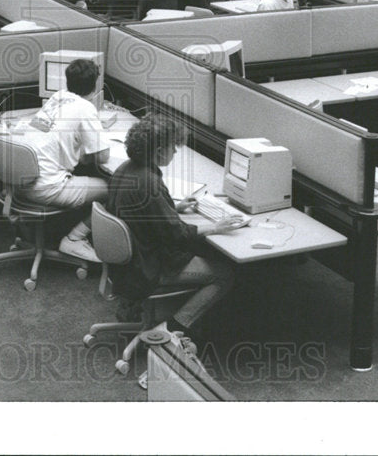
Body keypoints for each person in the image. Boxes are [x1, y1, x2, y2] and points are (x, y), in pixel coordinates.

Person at [106, 113, 239, 345]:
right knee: (224, 273)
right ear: (159, 151)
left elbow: (144, 215)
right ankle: (175, 326)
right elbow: (176, 236)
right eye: (172, 147)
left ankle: (137, 307)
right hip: (148, 266)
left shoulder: (126, 169)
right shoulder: (150, 183)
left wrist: (173, 207)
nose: (175, 152)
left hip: (127, 264)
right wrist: (215, 227)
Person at [23, 58, 112, 261]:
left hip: (22, 182)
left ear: (67, 81)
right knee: (117, 187)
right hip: (48, 187)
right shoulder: (85, 108)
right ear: (95, 85)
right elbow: (103, 156)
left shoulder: (57, 98)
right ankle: (74, 239)